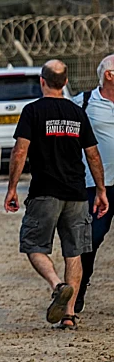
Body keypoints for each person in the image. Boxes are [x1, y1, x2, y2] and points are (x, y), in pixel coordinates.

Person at [5, 60, 109, 329]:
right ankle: (69, 315)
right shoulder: (77, 112)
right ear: (65, 83)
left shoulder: (32, 111)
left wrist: (12, 187)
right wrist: (100, 189)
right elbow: (93, 154)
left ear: (42, 81)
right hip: (76, 193)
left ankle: (57, 285)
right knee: (74, 253)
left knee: (34, 245)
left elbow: (20, 150)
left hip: (45, 192)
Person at [71, 55, 114, 313]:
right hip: (97, 186)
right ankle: (78, 290)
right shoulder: (84, 102)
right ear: (110, 75)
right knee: (91, 239)